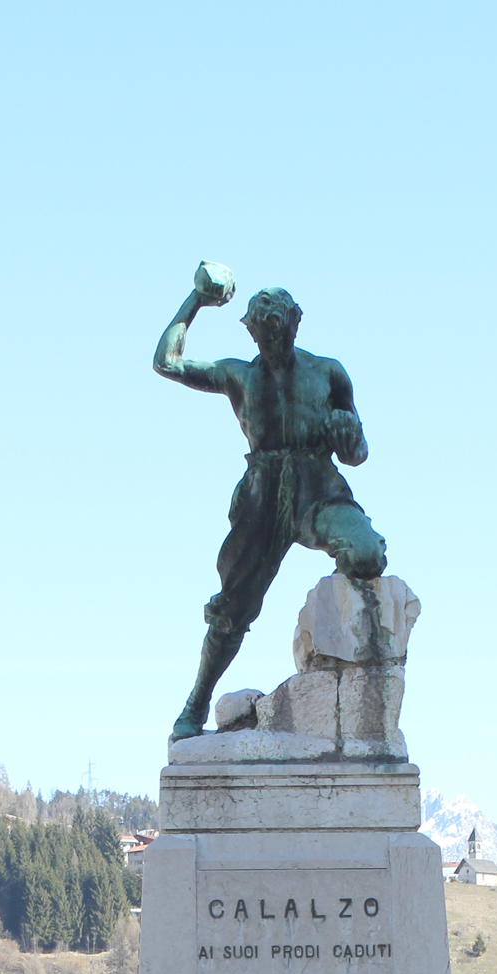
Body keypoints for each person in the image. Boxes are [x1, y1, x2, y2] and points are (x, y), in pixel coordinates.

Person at [153, 263, 388, 740]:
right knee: (232, 609)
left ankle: (350, 683)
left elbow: (358, 452)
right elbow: (167, 362)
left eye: (278, 333)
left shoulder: (327, 373)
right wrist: (197, 299)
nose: (271, 345)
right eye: (262, 336)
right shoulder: (240, 377)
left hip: (318, 486)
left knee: (366, 555)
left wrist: (346, 437)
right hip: (263, 494)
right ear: (252, 334)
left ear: (295, 324)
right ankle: (196, 702)